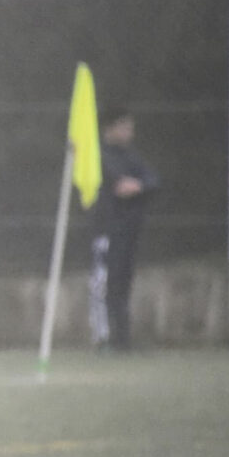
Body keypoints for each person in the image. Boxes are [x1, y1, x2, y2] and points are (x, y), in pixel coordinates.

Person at [88, 107, 159, 352]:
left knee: (123, 283)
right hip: (105, 231)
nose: (130, 132)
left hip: (128, 231)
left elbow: (152, 180)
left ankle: (123, 339)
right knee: (105, 284)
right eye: (125, 126)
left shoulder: (130, 156)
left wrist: (138, 185)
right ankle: (104, 339)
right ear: (110, 127)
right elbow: (109, 180)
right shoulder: (97, 154)